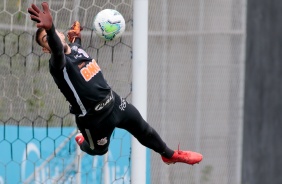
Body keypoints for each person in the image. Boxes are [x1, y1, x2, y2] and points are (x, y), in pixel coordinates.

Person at [27, 2, 203, 165]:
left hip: (114, 102)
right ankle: (83, 141)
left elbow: (74, 45)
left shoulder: (75, 48)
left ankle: (169, 155)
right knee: (99, 150)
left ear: (61, 33)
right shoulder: (57, 65)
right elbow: (59, 51)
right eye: (46, 40)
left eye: (52, 33)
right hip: (93, 120)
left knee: (144, 129)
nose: (51, 38)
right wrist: (49, 30)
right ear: (45, 49)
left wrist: (77, 37)